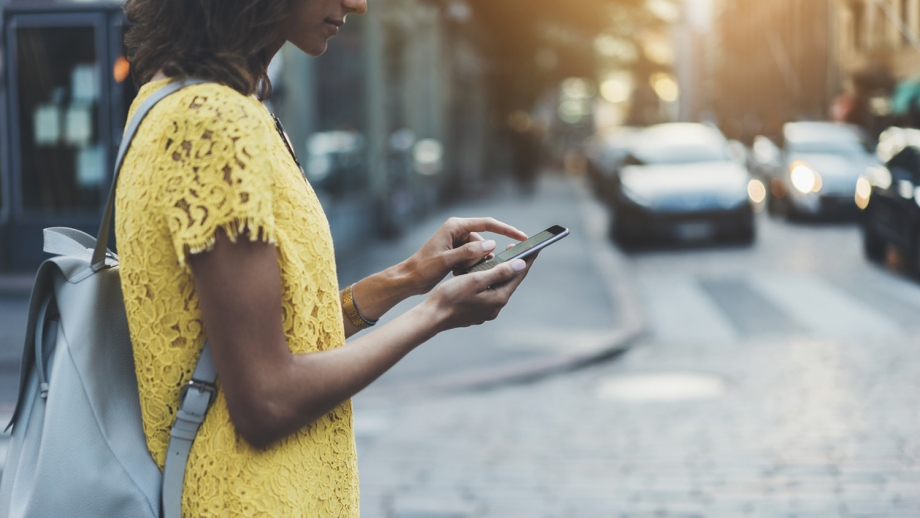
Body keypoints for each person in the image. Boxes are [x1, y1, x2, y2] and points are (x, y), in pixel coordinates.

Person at [117, 0, 536, 515]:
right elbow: (265, 400)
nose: (357, 4)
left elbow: (267, 341)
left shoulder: (173, 101)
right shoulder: (215, 123)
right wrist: (436, 314)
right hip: (252, 500)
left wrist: (407, 278)